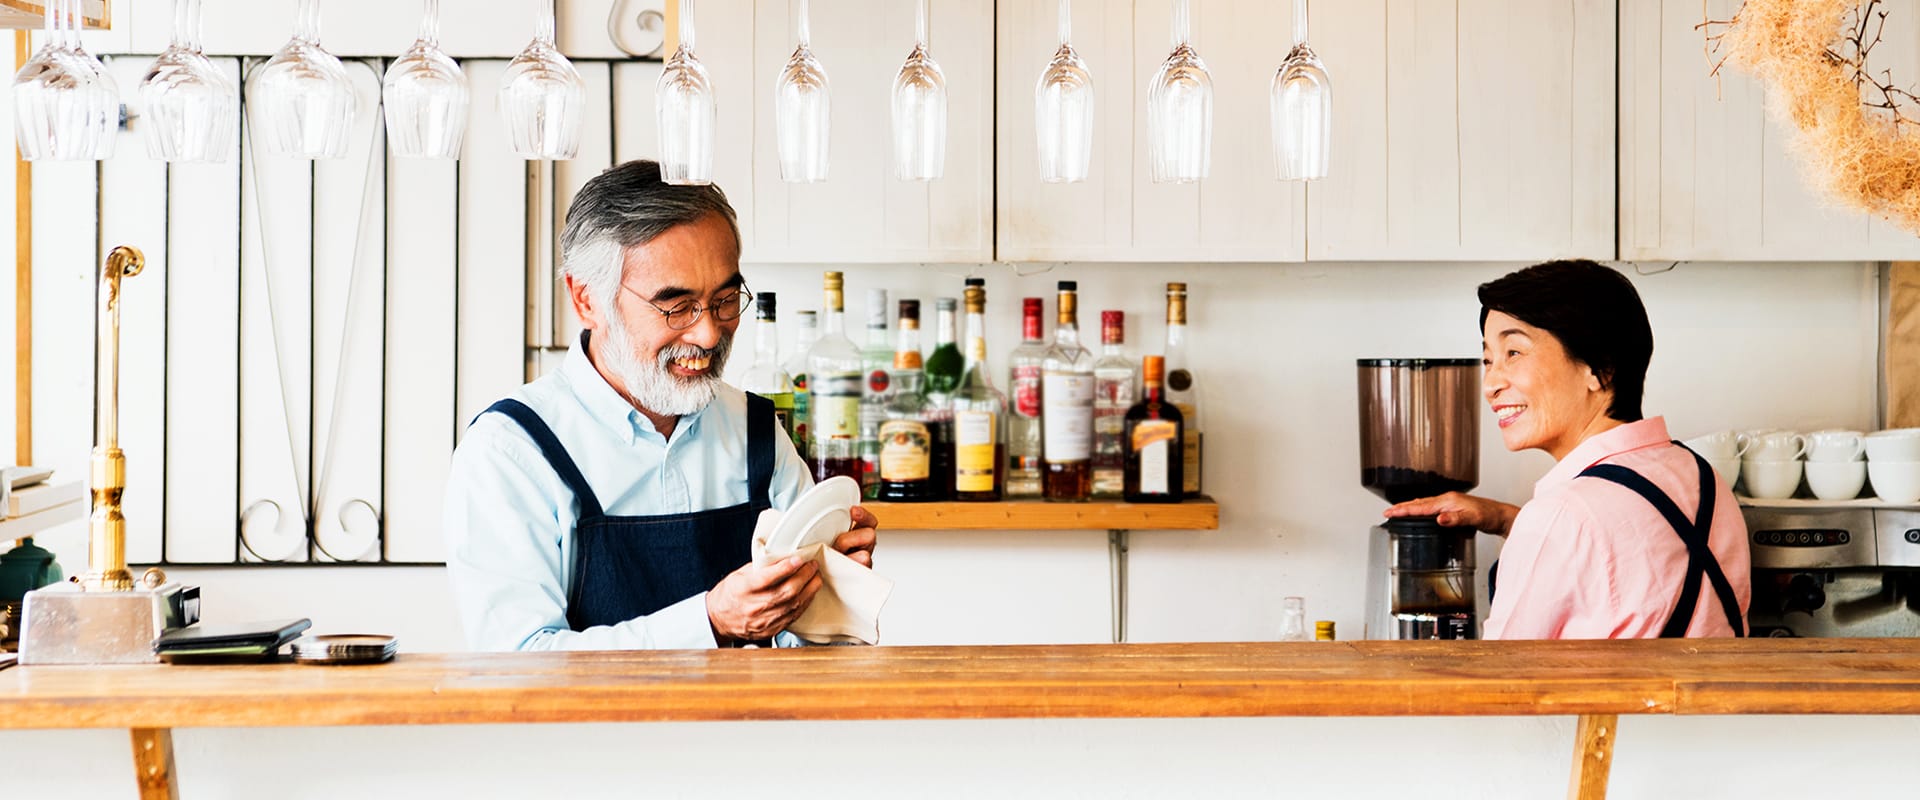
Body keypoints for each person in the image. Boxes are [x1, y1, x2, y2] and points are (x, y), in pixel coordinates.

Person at [444, 160, 878, 650]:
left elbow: (811, 656)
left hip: (751, 728)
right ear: (587, 299)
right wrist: (711, 622)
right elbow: (521, 663)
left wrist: (830, 594)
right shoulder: (512, 451)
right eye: (676, 307)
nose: (709, 333)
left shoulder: (757, 430)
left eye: (725, 300)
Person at [1384, 260, 1750, 639]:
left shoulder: (1561, 517)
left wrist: (1533, 526)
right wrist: (1508, 520)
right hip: (1711, 698)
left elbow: (1498, 678)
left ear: (1600, 369)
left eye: (1514, 353)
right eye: (1488, 360)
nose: (1490, 384)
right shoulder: (1704, 478)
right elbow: (1633, 563)